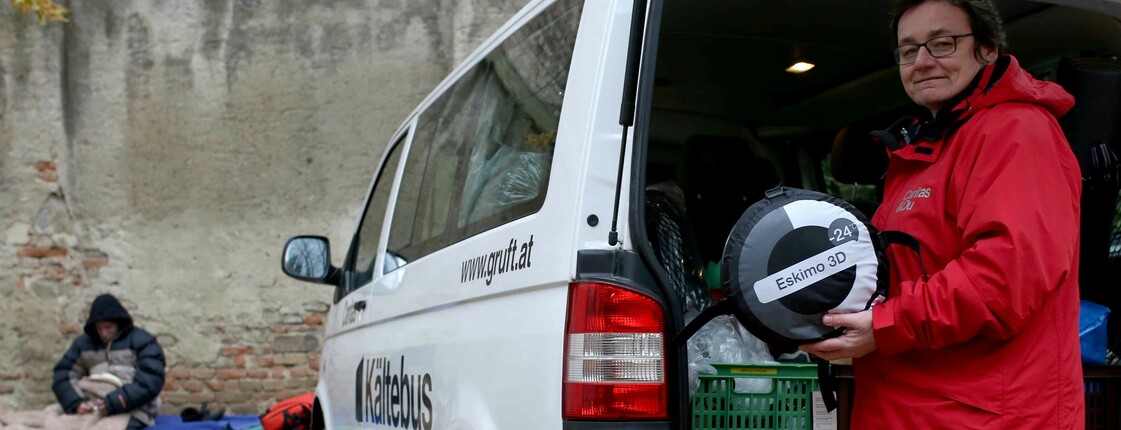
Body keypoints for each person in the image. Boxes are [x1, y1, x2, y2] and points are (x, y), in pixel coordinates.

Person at [800, 0, 1085, 428]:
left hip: (986, 416)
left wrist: (884, 326)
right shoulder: (925, 151)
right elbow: (900, 274)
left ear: (988, 49)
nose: (923, 61)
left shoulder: (1017, 132)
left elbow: (1003, 280)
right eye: (908, 50)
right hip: (914, 407)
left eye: (943, 43)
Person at [52, 293, 167, 429]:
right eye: (99, 328)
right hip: (93, 405)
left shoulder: (143, 341)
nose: (103, 333)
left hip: (134, 407)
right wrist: (76, 402)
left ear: (118, 323)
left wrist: (115, 402)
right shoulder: (83, 344)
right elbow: (63, 375)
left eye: (108, 327)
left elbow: (150, 380)